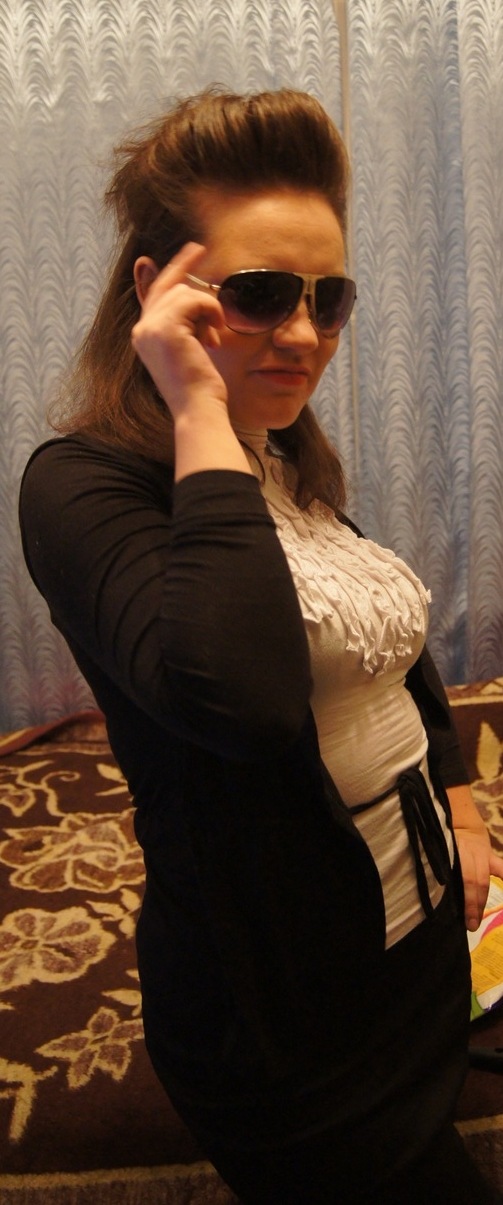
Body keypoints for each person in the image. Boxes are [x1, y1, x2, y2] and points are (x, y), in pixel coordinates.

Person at [19, 88, 503, 1204]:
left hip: (419, 949)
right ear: (157, 292)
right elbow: (242, 698)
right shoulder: (84, 483)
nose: (303, 333)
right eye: (259, 293)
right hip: (285, 1015)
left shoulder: (280, 457)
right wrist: (193, 405)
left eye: (328, 298)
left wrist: (460, 800)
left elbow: (385, 631)